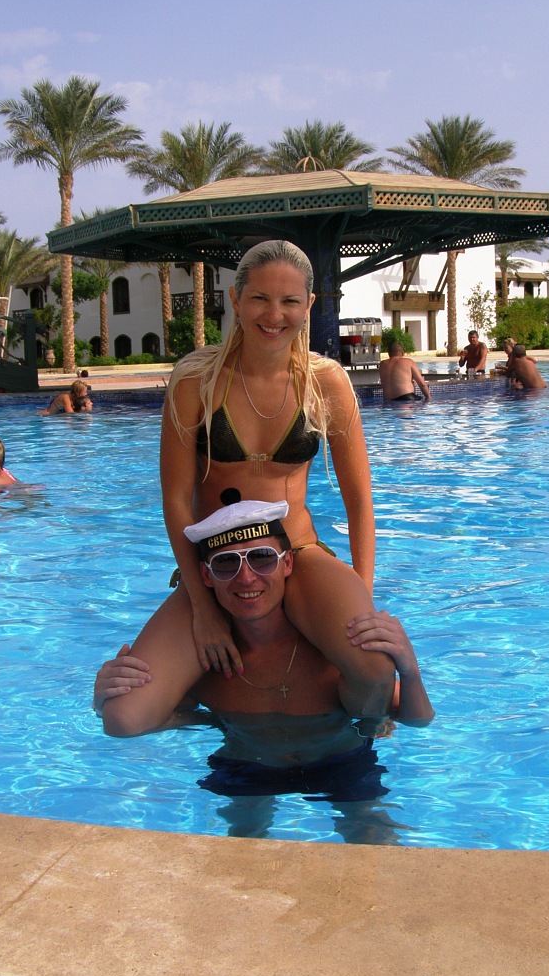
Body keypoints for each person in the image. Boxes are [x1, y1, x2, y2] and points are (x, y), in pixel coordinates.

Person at [148, 239, 394, 705]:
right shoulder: (196, 381)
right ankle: (218, 712)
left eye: (289, 301)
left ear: (309, 305)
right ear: (236, 300)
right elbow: (176, 499)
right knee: (126, 714)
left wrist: (363, 597)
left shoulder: (326, 382)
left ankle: (354, 733)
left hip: (296, 552)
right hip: (217, 563)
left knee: (376, 671)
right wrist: (203, 608)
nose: (274, 314)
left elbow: (360, 501)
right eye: (260, 298)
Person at [94, 502, 433, 839]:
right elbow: (140, 721)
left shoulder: (328, 652)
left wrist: (410, 671)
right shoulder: (208, 667)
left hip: (341, 763)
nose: (246, 577)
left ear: (287, 563)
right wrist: (103, 703)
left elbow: (418, 720)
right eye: (226, 563)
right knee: (239, 854)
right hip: (246, 768)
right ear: (205, 576)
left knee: (376, 841)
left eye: (262, 558)